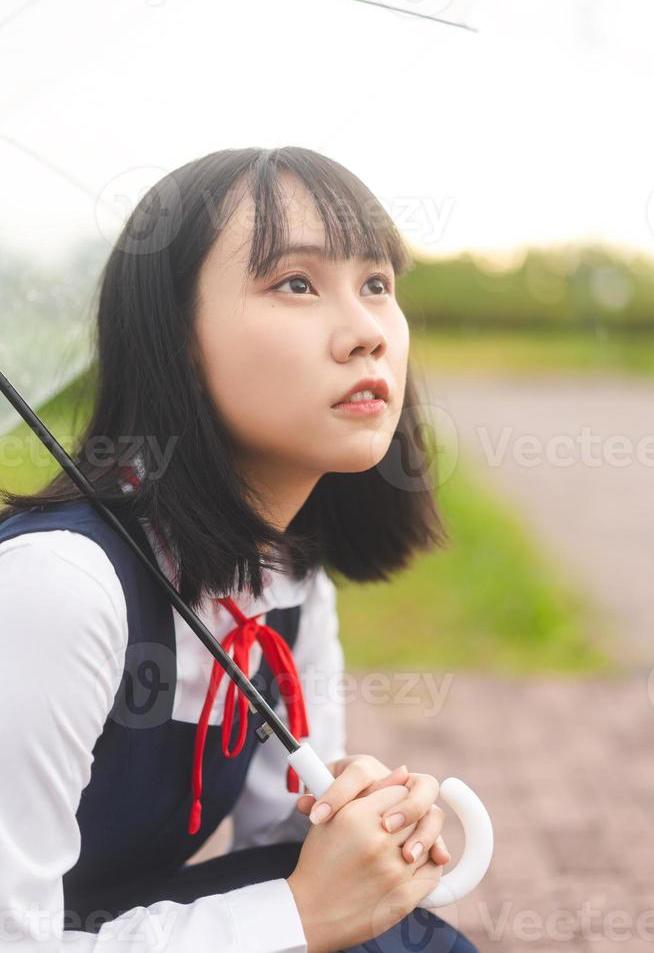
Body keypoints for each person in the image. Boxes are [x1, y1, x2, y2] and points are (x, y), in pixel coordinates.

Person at [0, 146, 479, 952]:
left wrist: (358, 836)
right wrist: (303, 911)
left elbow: (275, 856)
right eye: (295, 282)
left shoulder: (290, 576)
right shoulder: (59, 588)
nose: (367, 333)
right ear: (176, 337)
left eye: (376, 284)